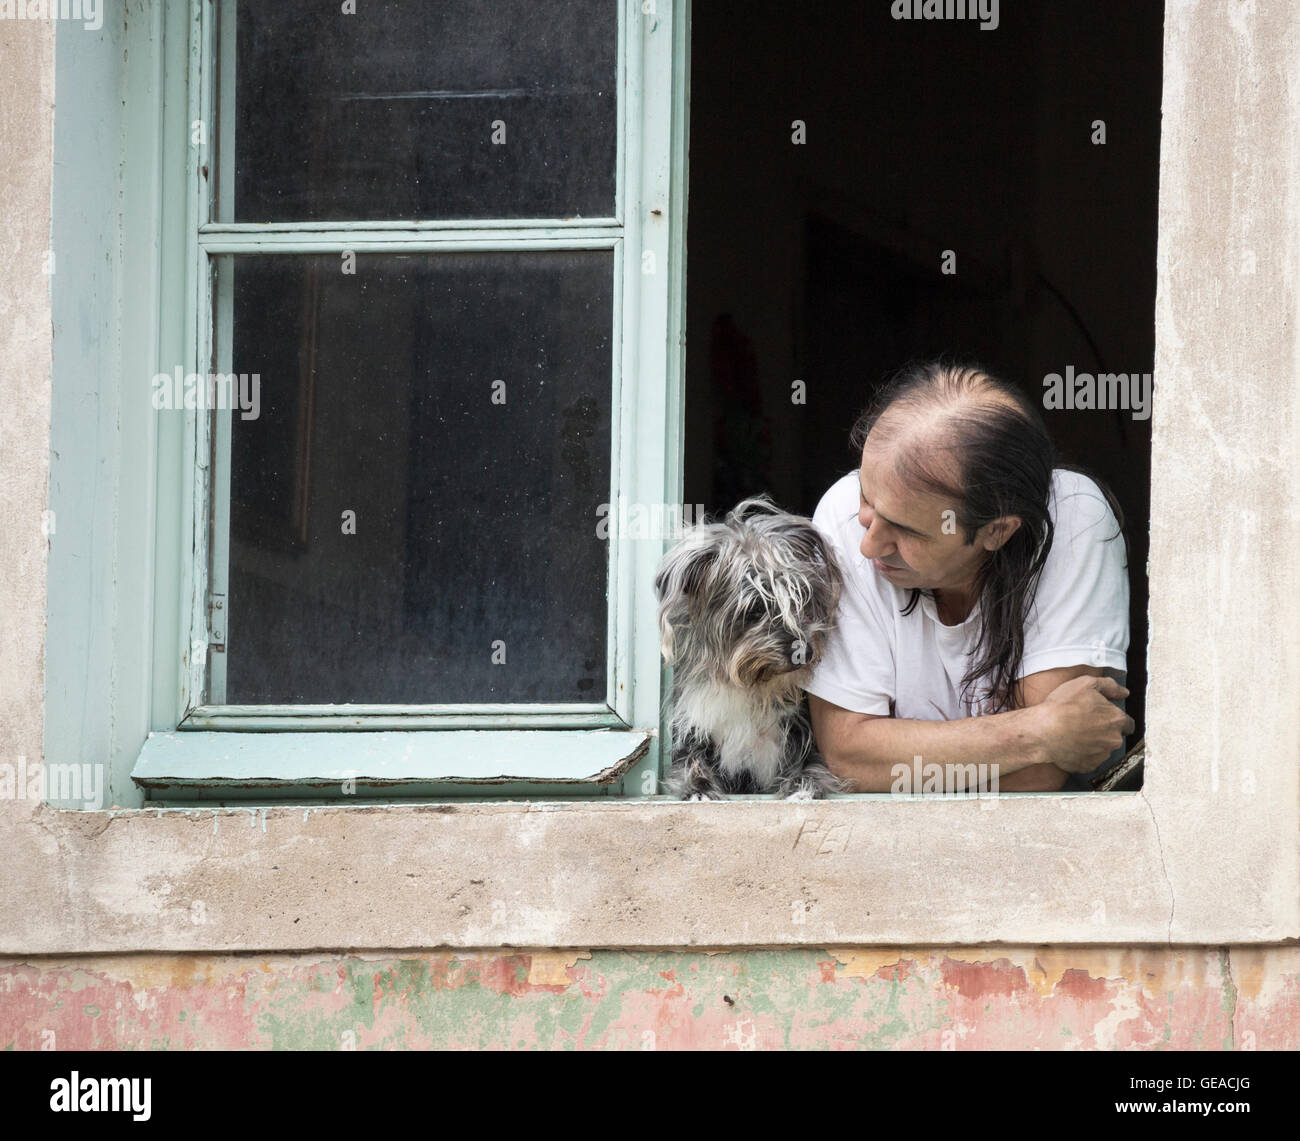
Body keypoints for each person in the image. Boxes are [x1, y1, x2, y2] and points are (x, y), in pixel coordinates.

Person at [806, 360, 1134, 792]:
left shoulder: (1076, 518)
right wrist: (1037, 733)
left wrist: (894, 755)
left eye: (906, 530)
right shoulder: (844, 514)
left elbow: (1039, 777)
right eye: (867, 499)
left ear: (997, 530)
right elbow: (847, 757)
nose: (868, 546)